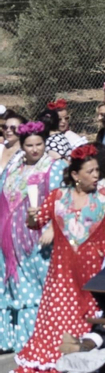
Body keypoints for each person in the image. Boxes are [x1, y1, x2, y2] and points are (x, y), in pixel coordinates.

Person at [9, 144, 105, 373]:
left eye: (97, 170)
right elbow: (35, 223)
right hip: (62, 275)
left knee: (88, 323)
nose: (96, 175)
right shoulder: (58, 197)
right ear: (75, 175)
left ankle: (85, 371)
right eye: (90, 171)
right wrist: (31, 214)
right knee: (60, 323)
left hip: (95, 274)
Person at [0, 124, 64, 354]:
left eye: (39, 144)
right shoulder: (14, 167)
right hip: (12, 236)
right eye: (30, 145)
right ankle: (20, 340)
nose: (35, 149)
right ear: (22, 146)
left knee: (41, 286)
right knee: (16, 286)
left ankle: (44, 339)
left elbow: (63, 199)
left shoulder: (55, 167)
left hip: (41, 236)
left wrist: (54, 229)